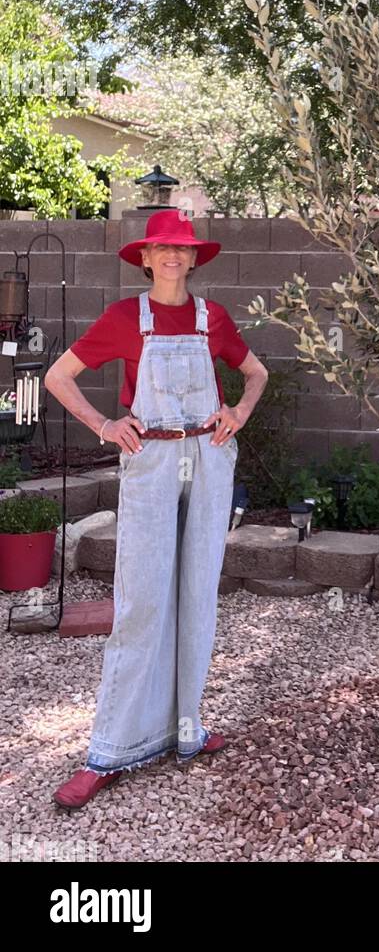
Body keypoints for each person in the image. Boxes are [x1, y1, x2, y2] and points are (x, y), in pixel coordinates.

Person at [43, 210, 269, 808]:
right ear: (145, 258)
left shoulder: (211, 319)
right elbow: (58, 376)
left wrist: (238, 413)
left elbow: (255, 373)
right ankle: (110, 751)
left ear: (194, 260)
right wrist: (104, 425)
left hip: (210, 455)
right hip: (151, 461)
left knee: (197, 591)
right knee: (142, 599)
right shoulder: (124, 318)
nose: (172, 257)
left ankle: (185, 728)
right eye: (162, 249)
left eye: (182, 250)